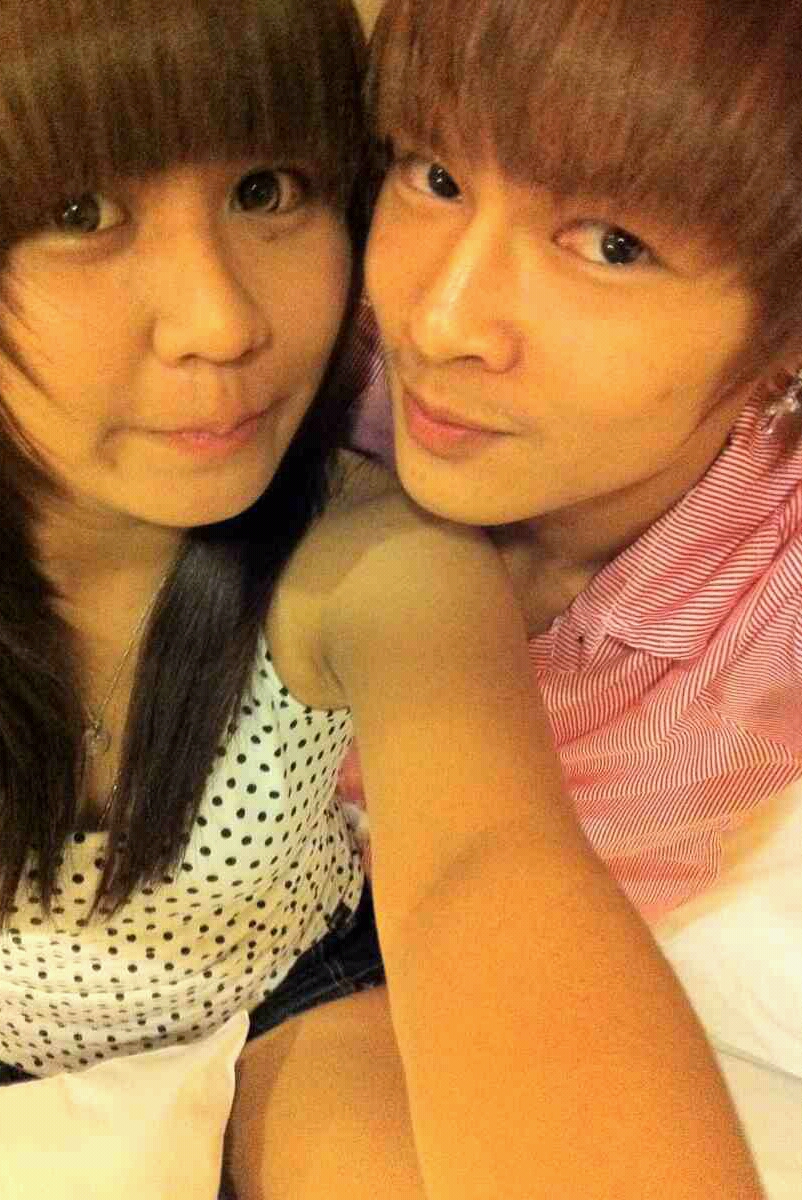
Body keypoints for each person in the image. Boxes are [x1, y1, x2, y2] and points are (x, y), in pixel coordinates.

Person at [0, 1, 763, 1198]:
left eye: (267, 190)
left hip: (285, 995)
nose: (223, 322)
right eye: (80, 215)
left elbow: (487, 867)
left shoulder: (385, 553)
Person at [343, 0, 802, 925]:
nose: (438, 323)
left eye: (610, 247)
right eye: (436, 176)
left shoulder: (772, 601)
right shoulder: (304, 376)